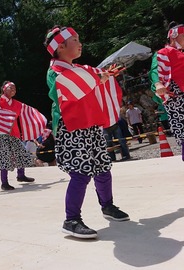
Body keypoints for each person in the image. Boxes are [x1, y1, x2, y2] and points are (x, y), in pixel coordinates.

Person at [44, 25, 129, 239]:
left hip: (90, 124)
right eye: (75, 39)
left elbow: (95, 77)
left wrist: (107, 75)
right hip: (71, 127)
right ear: (61, 46)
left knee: (102, 167)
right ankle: (71, 219)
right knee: (80, 172)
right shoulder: (55, 71)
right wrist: (96, 79)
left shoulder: (80, 69)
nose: (80, 43)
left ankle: (107, 206)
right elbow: (63, 92)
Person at [0, 81, 43, 190]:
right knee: (4, 157)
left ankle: (21, 175)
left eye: (15, 88)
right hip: (0, 134)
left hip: (14, 133)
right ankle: (4, 182)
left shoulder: (17, 104)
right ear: (4, 89)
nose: (14, 90)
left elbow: (28, 113)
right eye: (11, 88)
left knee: (20, 153)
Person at [149, 21, 184, 161]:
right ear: (173, 36)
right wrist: (158, 84)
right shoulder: (164, 52)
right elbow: (154, 70)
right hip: (178, 100)